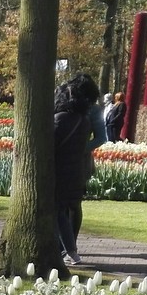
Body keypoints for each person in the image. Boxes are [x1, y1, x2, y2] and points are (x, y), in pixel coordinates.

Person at [54, 75, 99, 269]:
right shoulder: (84, 121)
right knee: (65, 210)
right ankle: (67, 250)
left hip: (60, 173)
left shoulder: (60, 119)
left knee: (58, 211)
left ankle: (70, 251)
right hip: (77, 173)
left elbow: (50, 145)